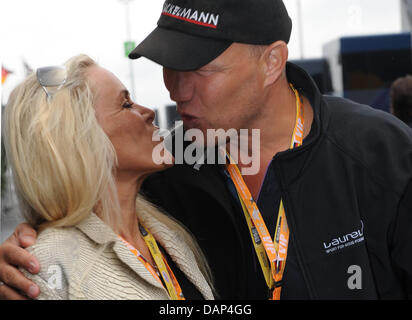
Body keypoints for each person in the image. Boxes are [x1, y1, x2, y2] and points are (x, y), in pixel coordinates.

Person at [1, 0, 412, 300]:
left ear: (271, 63)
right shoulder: (164, 170)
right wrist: (25, 251)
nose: (176, 90)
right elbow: (77, 215)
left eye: (200, 69)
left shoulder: (379, 152)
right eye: (169, 65)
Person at [0, 54, 213, 300]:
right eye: (126, 104)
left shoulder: (167, 234)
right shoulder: (44, 267)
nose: (147, 112)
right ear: (80, 140)